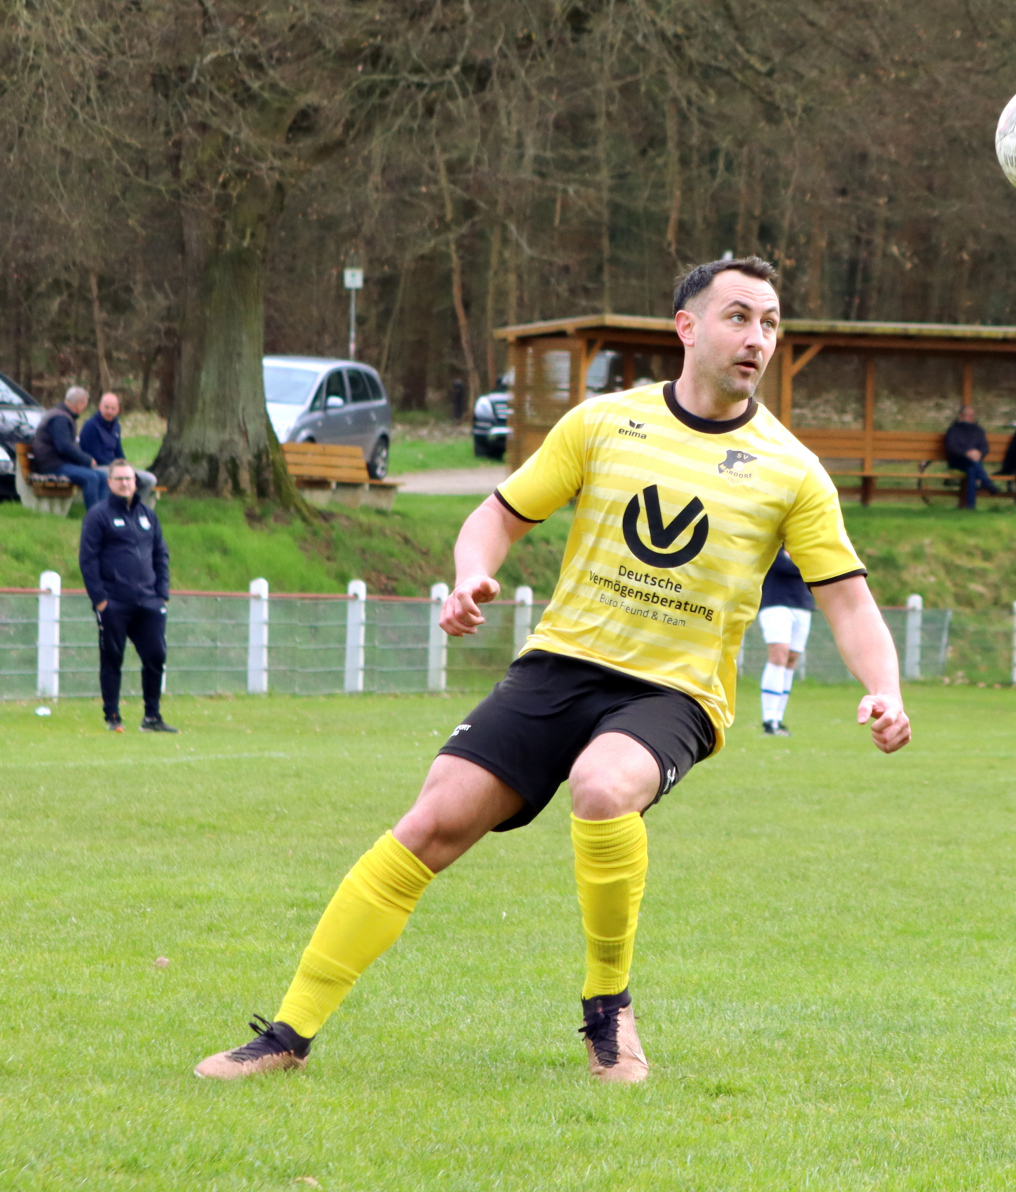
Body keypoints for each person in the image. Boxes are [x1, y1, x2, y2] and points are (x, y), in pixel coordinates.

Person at [194, 255, 911, 1086]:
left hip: (674, 691)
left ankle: (609, 1009)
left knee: (603, 787)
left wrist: (884, 690)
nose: (759, 337)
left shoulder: (791, 469)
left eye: (771, 323)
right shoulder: (605, 423)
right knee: (430, 822)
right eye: (739, 317)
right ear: (687, 327)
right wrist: (470, 576)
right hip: (559, 665)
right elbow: (495, 518)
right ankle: (286, 1036)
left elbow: (848, 601)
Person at [78, 459, 177, 734]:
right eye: (119, 479)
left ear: (136, 482)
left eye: (129, 479)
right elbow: (88, 560)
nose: (125, 483)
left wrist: (162, 594)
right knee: (112, 658)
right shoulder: (98, 516)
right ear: (109, 482)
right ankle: (113, 716)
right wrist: (100, 600)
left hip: (149, 601)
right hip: (114, 602)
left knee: (155, 655)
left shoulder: (148, 516)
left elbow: (161, 555)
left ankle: (152, 718)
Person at [758, 548, 814, 736]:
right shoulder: (774, 545)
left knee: (791, 659)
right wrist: (807, 565)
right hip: (776, 602)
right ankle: (769, 720)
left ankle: (778, 719)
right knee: (778, 655)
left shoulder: (805, 544)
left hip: (802, 604)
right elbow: (785, 566)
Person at [30, 386, 106, 509]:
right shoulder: (60, 419)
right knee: (91, 478)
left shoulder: (62, 415)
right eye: (85, 404)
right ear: (79, 403)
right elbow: (64, 447)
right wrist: (87, 460)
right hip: (52, 465)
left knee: (103, 477)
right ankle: (94, 515)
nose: (84, 408)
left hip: (59, 463)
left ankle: (103, 513)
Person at [78, 392, 157, 495]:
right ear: (100, 407)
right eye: (106, 407)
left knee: (149, 480)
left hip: (115, 467)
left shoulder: (116, 426)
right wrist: (118, 468)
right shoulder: (90, 426)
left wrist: (127, 467)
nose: (109, 411)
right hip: (97, 467)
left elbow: (118, 451)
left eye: (113, 408)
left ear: (118, 409)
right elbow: (95, 455)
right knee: (119, 477)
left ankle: (138, 505)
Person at [943, 404, 998, 509]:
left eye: (972, 415)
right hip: (958, 461)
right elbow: (951, 448)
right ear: (960, 416)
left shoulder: (978, 430)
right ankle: (986, 483)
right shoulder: (953, 430)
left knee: (972, 469)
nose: (970, 418)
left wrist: (979, 453)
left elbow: (985, 447)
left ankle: (971, 505)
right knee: (972, 464)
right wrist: (966, 453)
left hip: (975, 461)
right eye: (967, 415)